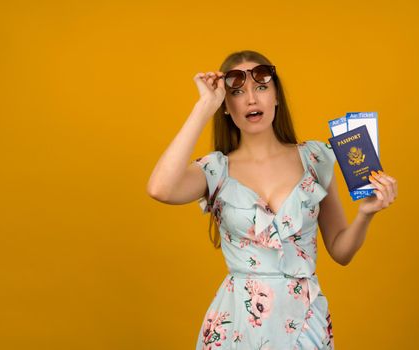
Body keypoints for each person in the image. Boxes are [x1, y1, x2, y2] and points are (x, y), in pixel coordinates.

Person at [147, 50, 398, 349]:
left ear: (276, 96)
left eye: (262, 87)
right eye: (237, 92)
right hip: (238, 324)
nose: (251, 99)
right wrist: (204, 106)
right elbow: (160, 188)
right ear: (226, 106)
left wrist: (365, 215)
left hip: (304, 321)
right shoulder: (216, 170)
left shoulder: (315, 158)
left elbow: (341, 252)